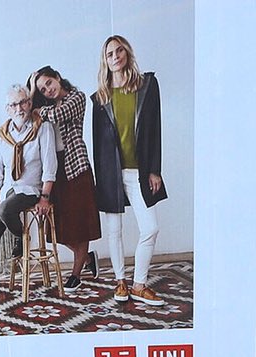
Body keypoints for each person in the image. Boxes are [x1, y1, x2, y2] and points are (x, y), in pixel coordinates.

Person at [91, 33, 169, 303]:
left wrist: (155, 169)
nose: (115, 57)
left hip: (140, 171)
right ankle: (120, 281)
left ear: (127, 53)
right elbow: (98, 144)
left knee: (150, 228)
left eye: (119, 51)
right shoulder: (99, 98)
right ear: (105, 60)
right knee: (115, 231)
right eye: (109, 54)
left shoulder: (147, 85)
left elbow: (155, 129)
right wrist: (100, 181)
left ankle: (139, 283)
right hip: (112, 174)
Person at [0, 84, 58, 302]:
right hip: (8, 192)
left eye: (23, 102)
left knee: (5, 209)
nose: (19, 108)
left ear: (30, 103)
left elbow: (50, 166)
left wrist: (45, 197)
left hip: (31, 190)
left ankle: (21, 238)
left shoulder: (43, 128)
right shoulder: (2, 135)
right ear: (8, 109)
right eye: (14, 104)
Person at [30, 65, 103, 289]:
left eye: (49, 83)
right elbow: (30, 109)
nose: (47, 90)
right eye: (42, 89)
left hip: (76, 167)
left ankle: (76, 273)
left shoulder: (77, 97)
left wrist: (38, 111)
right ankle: (88, 258)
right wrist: (33, 90)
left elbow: (58, 115)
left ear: (58, 78)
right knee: (59, 228)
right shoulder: (45, 105)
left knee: (79, 224)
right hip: (54, 170)